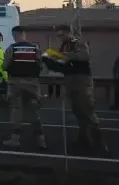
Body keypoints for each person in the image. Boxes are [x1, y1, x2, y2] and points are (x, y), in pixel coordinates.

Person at [43, 24, 107, 153]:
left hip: (81, 80)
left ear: (69, 33)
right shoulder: (64, 45)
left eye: (62, 35)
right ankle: (84, 140)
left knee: (86, 110)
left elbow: (84, 56)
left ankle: (99, 144)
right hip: (70, 80)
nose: (60, 38)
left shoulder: (77, 42)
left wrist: (63, 55)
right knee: (78, 111)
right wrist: (48, 61)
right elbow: (63, 66)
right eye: (58, 36)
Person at [1, 26, 46, 148]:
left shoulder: (12, 48)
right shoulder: (35, 48)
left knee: (16, 110)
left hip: (16, 83)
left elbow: (4, 66)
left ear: (14, 35)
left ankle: (15, 139)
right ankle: (41, 140)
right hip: (33, 84)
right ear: (24, 34)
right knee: (34, 111)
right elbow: (41, 65)